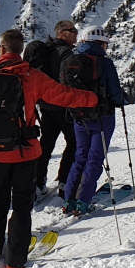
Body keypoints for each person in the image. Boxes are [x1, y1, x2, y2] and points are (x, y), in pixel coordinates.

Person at [0, 29, 96, 268]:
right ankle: (15, 260)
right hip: (27, 151)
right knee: (23, 205)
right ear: (20, 50)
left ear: (1, 49)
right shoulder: (31, 75)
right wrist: (92, 99)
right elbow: (63, 96)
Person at [59, 30, 128, 214]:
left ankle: (69, 199)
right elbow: (114, 92)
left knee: (80, 156)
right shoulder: (104, 63)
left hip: (78, 117)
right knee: (95, 159)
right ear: (101, 44)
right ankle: (84, 201)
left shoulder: (70, 61)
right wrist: (121, 100)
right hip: (102, 116)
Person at [34, 20, 79, 196]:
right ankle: (64, 181)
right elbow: (67, 79)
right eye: (72, 30)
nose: (76, 33)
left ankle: (38, 183)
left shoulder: (47, 49)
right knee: (74, 142)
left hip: (45, 104)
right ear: (61, 33)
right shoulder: (65, 52)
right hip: (62, 105)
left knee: (46, 143)